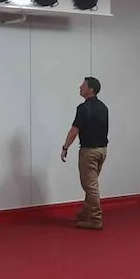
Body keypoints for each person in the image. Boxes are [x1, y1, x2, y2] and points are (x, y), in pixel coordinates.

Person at [61, 77, 109, 230]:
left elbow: (74, 131)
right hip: (102, 150)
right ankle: (84, 212)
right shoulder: (104, 107)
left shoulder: (83, 108)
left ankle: (96, 219)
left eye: (83, 85)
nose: (80, 86)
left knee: (90, 186)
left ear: (91, 89)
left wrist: (65, 147)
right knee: (91, 184)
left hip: (89, 151)